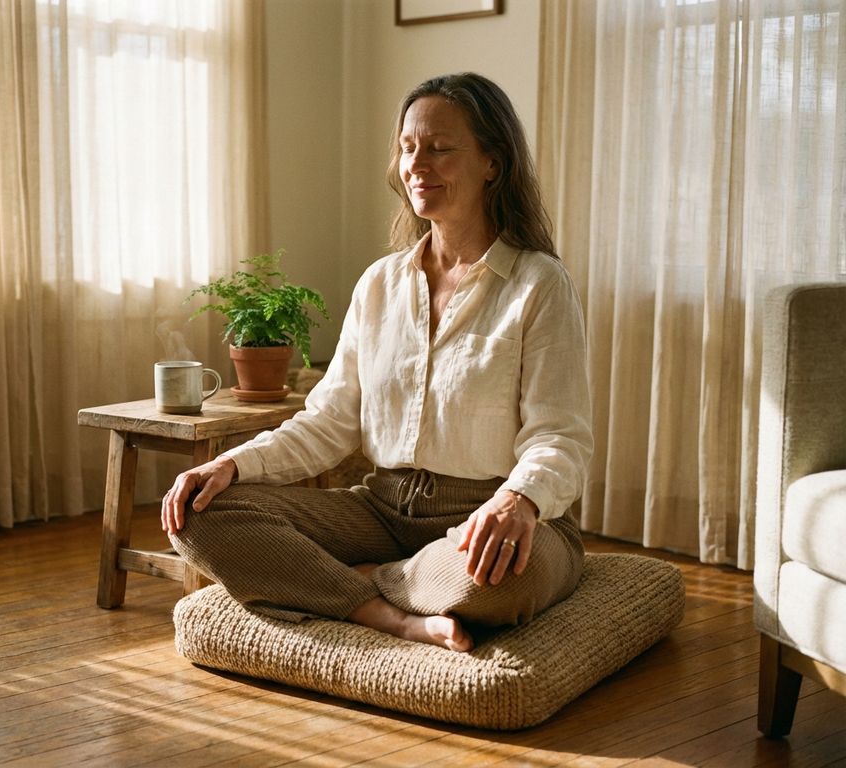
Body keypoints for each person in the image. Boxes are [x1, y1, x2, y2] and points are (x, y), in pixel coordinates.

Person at [162, 72, 592, 653]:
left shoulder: (539, 283)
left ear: (493, 162)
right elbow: (328, 422)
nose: (418, 164)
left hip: (497, 516)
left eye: (440, 148)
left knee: (491, 578)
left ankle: (356, 582)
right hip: (381, 512)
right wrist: (231, 466)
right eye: (409, 148)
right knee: (196, 514)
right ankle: (390, 613)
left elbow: (559, 437)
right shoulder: (380, 285)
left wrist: (519, 500)